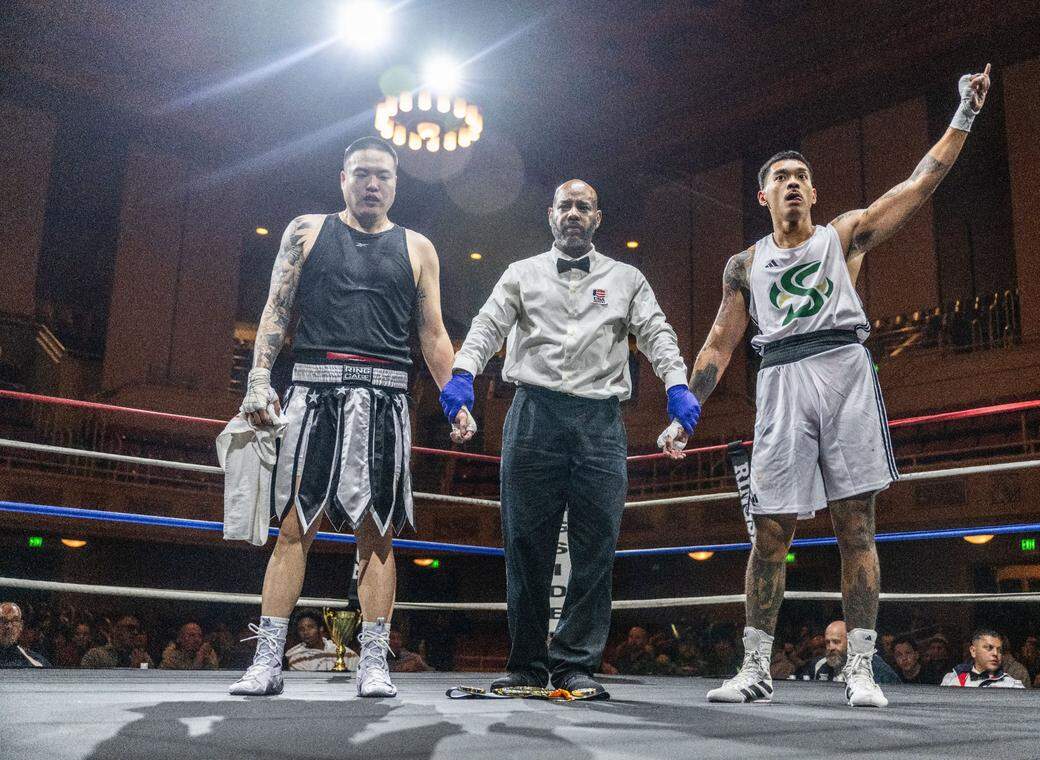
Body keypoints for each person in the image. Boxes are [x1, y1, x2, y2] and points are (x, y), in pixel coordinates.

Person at [684, 66, 992, 707]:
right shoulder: (744, 264)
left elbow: (920, 183)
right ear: (764, 195)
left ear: (814, 192)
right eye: (781, 177)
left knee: (856, 526)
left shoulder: (842, 235)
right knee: (770, 532)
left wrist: (964, 112)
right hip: (779, 379)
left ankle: (860, 667)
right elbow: (718, 343)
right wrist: (685, 410)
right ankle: (756, 668)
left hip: (844, 372)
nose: (793, 182)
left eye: (801, 175)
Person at [441, 179, 699, 699]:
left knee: (596, 544)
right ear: (551, 214)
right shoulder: (521, 273)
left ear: (597, 218)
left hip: (600, 420)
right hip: (533, 413)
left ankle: (576, 663)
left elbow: (656, 332)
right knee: (524, 542)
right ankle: (526, 664)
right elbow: (487, 325)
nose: (574, 213)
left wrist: (677, 385)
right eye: (566, 206)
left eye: (584, 207)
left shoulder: (626, 278)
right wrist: (463, 373)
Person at [229, 136, 462, 698]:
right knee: (293, 528)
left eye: (382, 175)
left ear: (396, 183)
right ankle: (267, 659)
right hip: (313, 390)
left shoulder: (418, 247)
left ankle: (374, 662)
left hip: (385, 396)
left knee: (378, 534)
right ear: (343, 179)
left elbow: (432, 333)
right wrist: (258, 378)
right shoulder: (306, 231)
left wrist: (456, 398)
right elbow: (276, 308)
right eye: (361, 174)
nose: (372, 184)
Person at [796, 621, 899, 684]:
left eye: (836, 642)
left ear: (850, 643)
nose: (831, 647)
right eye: (827, 642)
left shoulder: (873, 667)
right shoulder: (818, 665)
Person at [941, 628, 1024, 688]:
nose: (995, 653)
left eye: (999, 650)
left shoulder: (1013, 685)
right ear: (973, 651)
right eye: (989, 648)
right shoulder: (952, 680)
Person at [284, 610, 358, 671]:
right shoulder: (297, 658)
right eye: (301, 629)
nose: (306, 632)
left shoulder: (343, 652)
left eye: (310, 627)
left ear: (321, 629)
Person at [80, 615, 153, 668]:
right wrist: (132, 671)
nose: (135, 632)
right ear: (116, 629)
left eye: (137, 629)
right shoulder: (95, 656)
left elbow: (150, 680)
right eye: (130, 628)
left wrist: (142, 667)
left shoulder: (144, 657)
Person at [0, 602, 49, 668]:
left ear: (20, 626)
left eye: (15, 620)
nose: (9, 626)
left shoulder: (38, 662)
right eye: (2, 621)